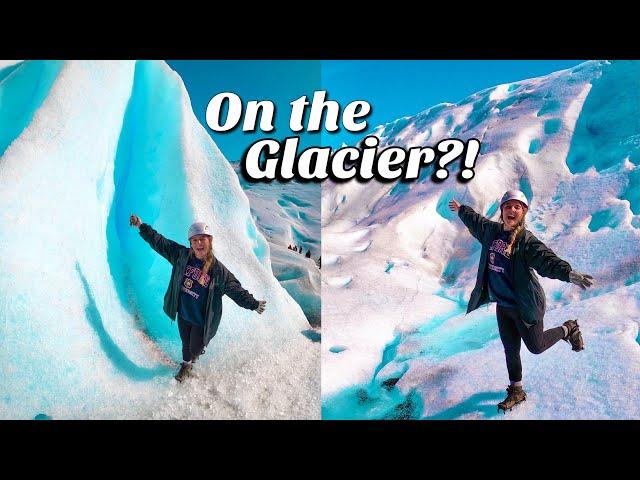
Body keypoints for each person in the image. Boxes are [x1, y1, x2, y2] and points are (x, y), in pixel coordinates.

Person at [448, 190, 594, 413]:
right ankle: (516, 390)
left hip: (525, 306)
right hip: (503, 306)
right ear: (502, 210)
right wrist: (461, 210)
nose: (512, 210)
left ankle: (568, 328)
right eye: (508, 206)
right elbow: (476, 221)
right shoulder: (491, 231)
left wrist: (568, 273)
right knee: (510, 350)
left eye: (517, 207)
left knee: (536, 347)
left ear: (523, 212)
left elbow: (547, 260)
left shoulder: (526, 241)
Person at [129, 214, 267, 382]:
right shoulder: (182, 256)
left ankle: (193, 357)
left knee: (194, 349)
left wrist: (253, 304)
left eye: (202, 239)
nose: (199, 243)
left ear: (210, 241)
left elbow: (235, 289)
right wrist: (141, 226)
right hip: (183, 314)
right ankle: (186, 365)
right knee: (185, 346)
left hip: (201, 320)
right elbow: (161, 242)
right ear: (190, 243)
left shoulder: (218, 270)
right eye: (194, 240)